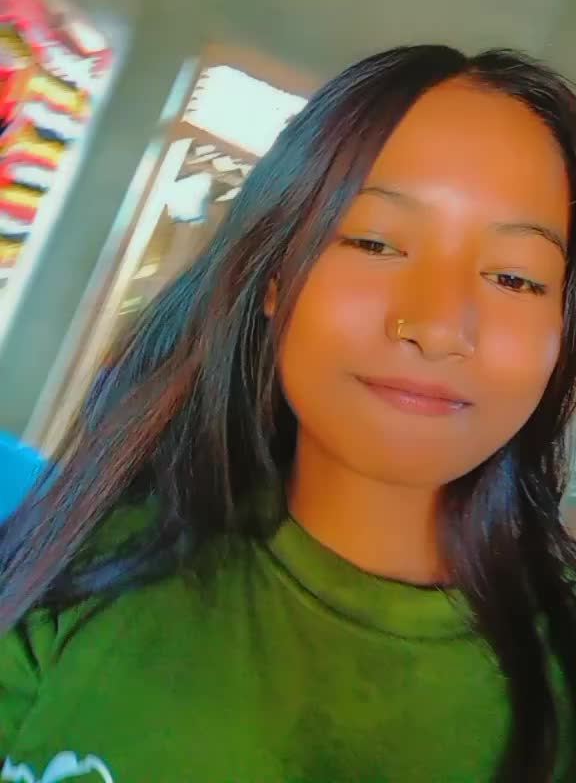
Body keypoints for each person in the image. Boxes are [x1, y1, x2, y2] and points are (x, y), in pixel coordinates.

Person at [1, 45, 576, 783]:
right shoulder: (89, 563)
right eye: (374, 242)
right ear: (274, 274)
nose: (438, 328)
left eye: (515, 278)